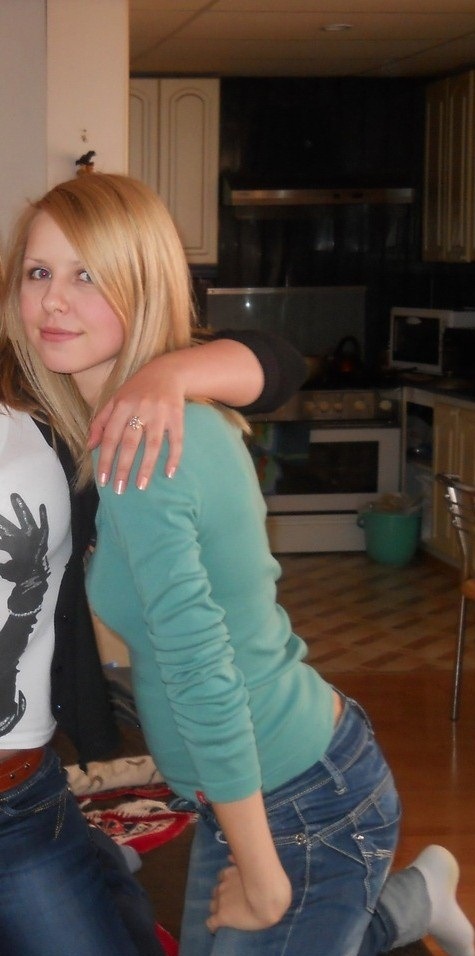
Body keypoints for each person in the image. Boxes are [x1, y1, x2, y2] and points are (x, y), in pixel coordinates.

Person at [4, 171, 474, 956]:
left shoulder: (142, 450)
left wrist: (261, 873)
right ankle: (412, 900)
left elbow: (199, 665)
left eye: (88, 275)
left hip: (291, 795)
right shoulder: (113, 424)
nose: (54, 300)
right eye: (38, 272)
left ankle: (402, 899)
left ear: (142, 284)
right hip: (258, 783)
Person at [0, 252, 305, 955]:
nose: (55, 295)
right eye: (41, 273)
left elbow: (278, 363)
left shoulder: (40, 389)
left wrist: (168, 373)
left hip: (18, 802)